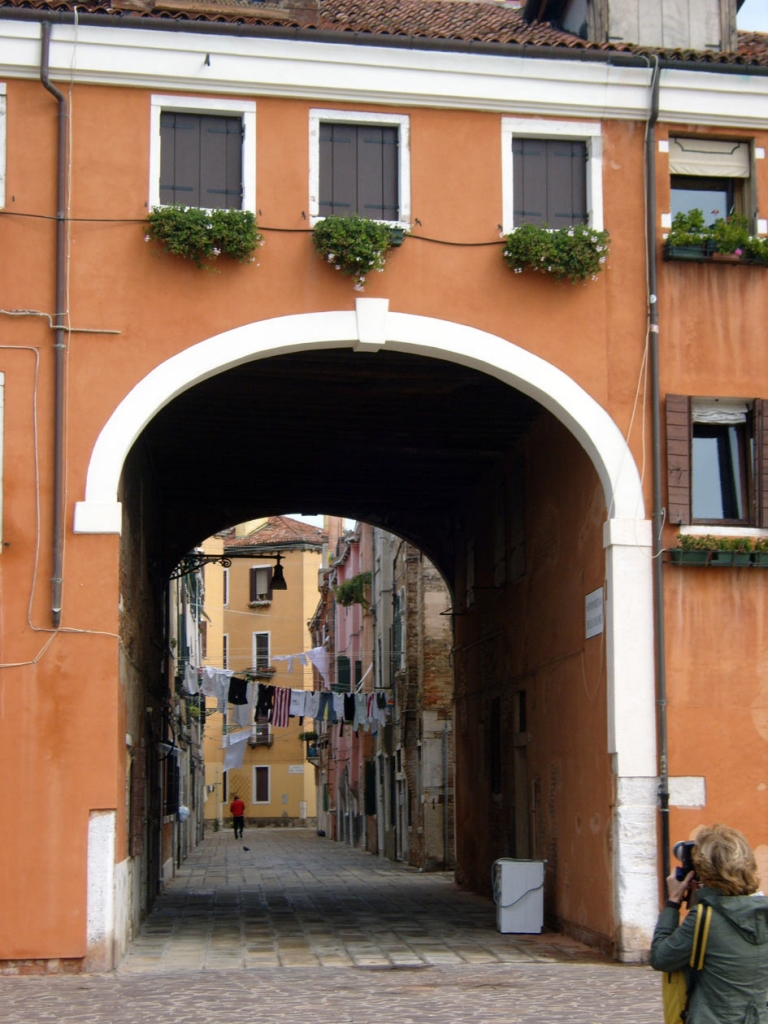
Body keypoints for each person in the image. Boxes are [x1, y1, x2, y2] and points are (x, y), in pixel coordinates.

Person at [651, 823, 768, 1024]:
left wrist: (673, 902)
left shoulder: (704, 918)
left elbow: (661, 958)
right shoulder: (763, 913)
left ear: (704, 870)